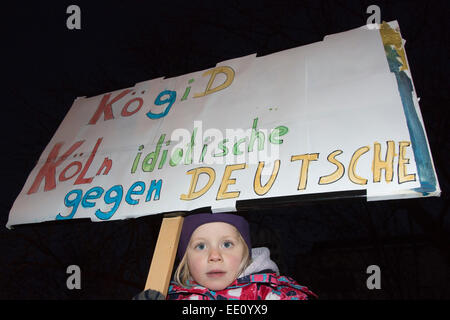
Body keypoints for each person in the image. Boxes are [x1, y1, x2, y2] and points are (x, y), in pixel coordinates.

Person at [134, 213, 317, 300]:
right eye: (201, 246)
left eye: (227, 244)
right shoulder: (173, 298)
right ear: (186, 260)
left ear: (246, 254)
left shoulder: (268, 292)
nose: (214, 256)